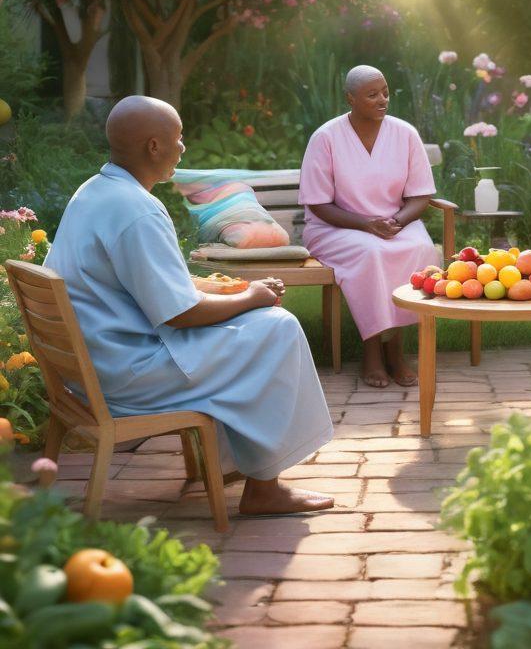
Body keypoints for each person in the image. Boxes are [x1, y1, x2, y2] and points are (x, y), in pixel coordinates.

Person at [46, 96, 335, 516]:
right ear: (153, 146)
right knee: (277, 328)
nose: (183, 148)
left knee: (251, 326)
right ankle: (263, 488)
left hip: (90, 368)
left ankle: (237, 464)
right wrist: (252, 296)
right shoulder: (137, 210)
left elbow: (142, 285)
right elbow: (181, 315)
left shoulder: (94, 191)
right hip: (127, 376)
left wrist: (232, 293)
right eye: (178, 138)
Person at [298, 65, 440, 388]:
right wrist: (366, 224)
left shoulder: (405, 133)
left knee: (420, 247)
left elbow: (421, 195)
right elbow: (318, 204)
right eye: (372, 94)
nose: (382, 100)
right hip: (335, 227)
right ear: (350, 98)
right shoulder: (326, 138)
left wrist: (397, 220)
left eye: (385, 92)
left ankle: (396, 350)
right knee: (372, 253)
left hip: (394, 222)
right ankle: (372, 351)